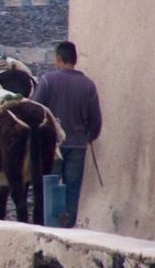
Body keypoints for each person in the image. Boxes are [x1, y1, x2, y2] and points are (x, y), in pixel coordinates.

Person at [31, 41, 102, 227]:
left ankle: (52, 225)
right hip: (78, 145)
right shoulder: (88, 85)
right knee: (73, 187)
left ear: (58, 59)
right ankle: (68, 225)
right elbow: (96, 120)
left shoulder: (47, 80)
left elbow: (35, 110)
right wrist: (89, 136)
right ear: (75, 60)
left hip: (53, 147)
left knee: (51, 185)